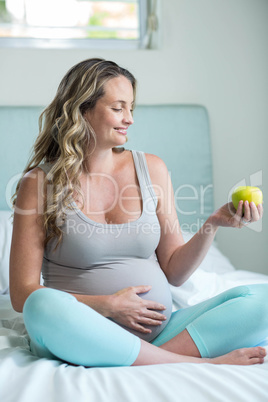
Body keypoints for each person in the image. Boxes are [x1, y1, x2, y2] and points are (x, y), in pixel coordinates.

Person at [10, 58, 267, 368]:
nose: (129, 118)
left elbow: (174, 271)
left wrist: (212, 224)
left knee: (260, 300)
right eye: (118, 108)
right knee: (41, 304)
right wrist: (108, 306)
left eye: (131, 108)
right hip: (80, 333)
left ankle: (161, 357)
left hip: (159, 332)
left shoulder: (152, 169)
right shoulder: (38, 183)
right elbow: (22, 294)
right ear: (82, 110)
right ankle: (190, 362)